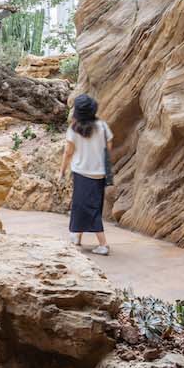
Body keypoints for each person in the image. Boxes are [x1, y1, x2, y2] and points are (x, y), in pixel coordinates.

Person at [59, 93, 112, 255]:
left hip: (82, 173)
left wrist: (61, 171)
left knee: (88, 208)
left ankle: (103, 244)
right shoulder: (102, 126)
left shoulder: (74, 129)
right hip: (99, 174)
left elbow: (68, 153)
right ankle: (77, 236)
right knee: (84, 205)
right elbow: (108, 149)